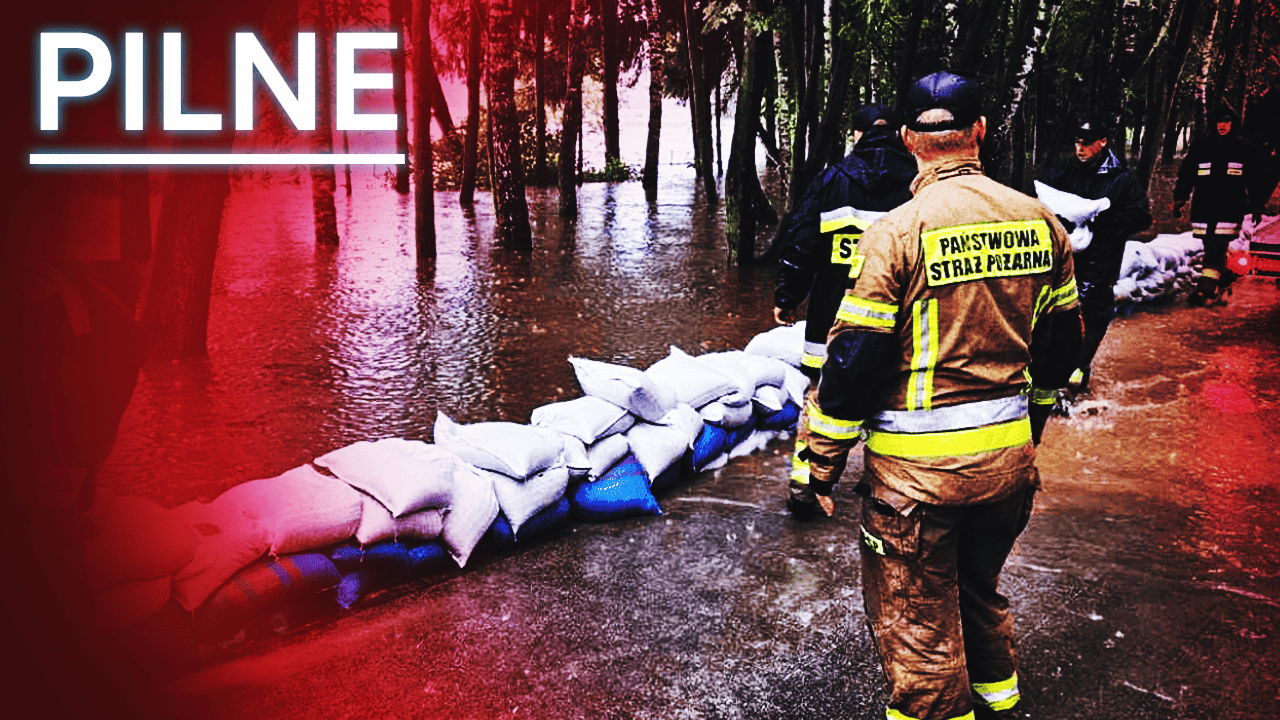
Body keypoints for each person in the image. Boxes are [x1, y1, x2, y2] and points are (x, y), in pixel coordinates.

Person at [813, 71, 1083, 720]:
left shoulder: (896, 234)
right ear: (981, 133)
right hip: (1008, 471)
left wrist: (821, 463)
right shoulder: (1041, 222)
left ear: (908, 140)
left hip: (918, 485)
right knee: (978, 589)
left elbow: (853, 361)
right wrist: (1033, 426)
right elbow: (1061, 350)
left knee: (916, 624)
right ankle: (1000, 699)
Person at [770, 104, 917, 519]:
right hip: (897, 312)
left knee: (819, 396)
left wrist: (788, 295)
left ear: (856, 135)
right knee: (893, 394)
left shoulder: (834, 178)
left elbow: (802, 241)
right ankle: (881, 480)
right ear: (902, 134)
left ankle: (805, 483)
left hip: (833, 313)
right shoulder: (917, 182)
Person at [1037, 117, 1151, 391]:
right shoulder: (1063, 172)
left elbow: (1141, 218)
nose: (1080, 148)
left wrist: (1103, 223)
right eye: (1077, 142)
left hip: (1102, 261)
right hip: (1063, 260)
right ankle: (1050, 370)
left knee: (1093, 314)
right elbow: (1039, 200)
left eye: (1086, 143)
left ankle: (1079, 368)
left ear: (1102, 143)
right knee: (1055, 314)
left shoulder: (1121, 179)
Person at [1173, 104, 1270, 305]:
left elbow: (1255, 178)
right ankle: (1224, 279)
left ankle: (1204, 291)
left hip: (1230, 209)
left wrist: (1257, 204)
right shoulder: (1201, 147)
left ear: (1233, 124)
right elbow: (1186, 174)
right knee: (1211, 247)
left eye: (1227, 121)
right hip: (1203, 210)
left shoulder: (1245, 148)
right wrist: (1179, 198)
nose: (1222, 125)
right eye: (1219, 121)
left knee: (1216, 248)